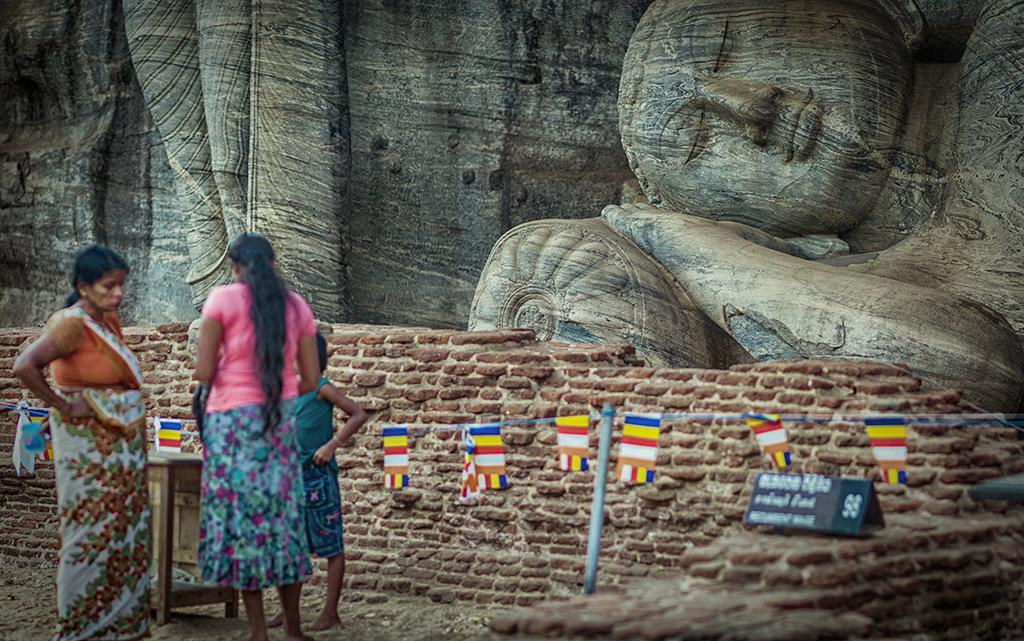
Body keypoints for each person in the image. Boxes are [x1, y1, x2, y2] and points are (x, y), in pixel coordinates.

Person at [13, 245, 150, 641]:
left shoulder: (107, 321)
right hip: (89, 445)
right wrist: (62, 405)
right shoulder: (70, 324)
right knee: (91, 529)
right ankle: (83, 625)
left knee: (125, 529)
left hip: (118, 447)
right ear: (84, 287)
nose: (118, 294)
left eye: (121, 285)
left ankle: (122, 625)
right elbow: (24, 365)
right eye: (109, 286)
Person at [192, 232, 319, 641]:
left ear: (234, 266)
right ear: (273, 262)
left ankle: (259, 631)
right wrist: (279, 394)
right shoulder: (296, 305)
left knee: (244, 524)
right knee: (284, 520)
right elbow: (312, 378)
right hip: (279, 421)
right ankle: (295, 630)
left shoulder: (222, 300)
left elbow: (204, 372)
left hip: (230, 424)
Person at [267, 331, 367, 631]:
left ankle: (330, 612)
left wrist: (331, 445)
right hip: (288, 477)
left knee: (330, 543)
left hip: (318, 476)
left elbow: (358, 414)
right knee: (288, 547)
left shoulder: (322, 388)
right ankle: (288, 612)